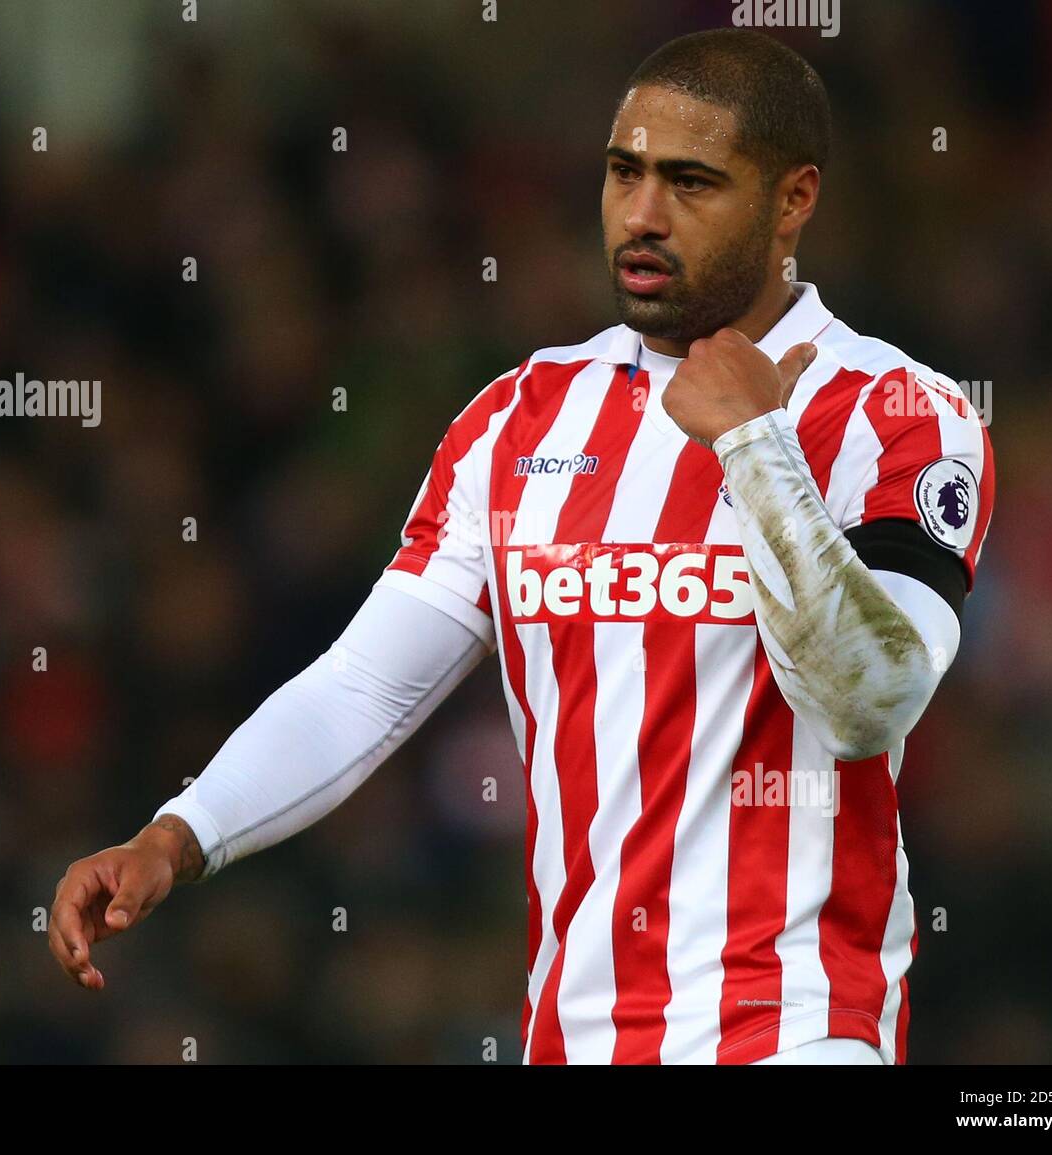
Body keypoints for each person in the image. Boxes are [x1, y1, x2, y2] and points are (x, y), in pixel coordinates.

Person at [49, 28, 994, 1065]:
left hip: (798, 1031)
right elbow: (363, 686)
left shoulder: (895, 411)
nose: (641, 215)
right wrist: (178, 836)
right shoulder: (519, 420)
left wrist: (753, 445)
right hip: (568, 1038)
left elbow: (870, 701)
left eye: (690, 182)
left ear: (792, 200)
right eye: (622, 173)